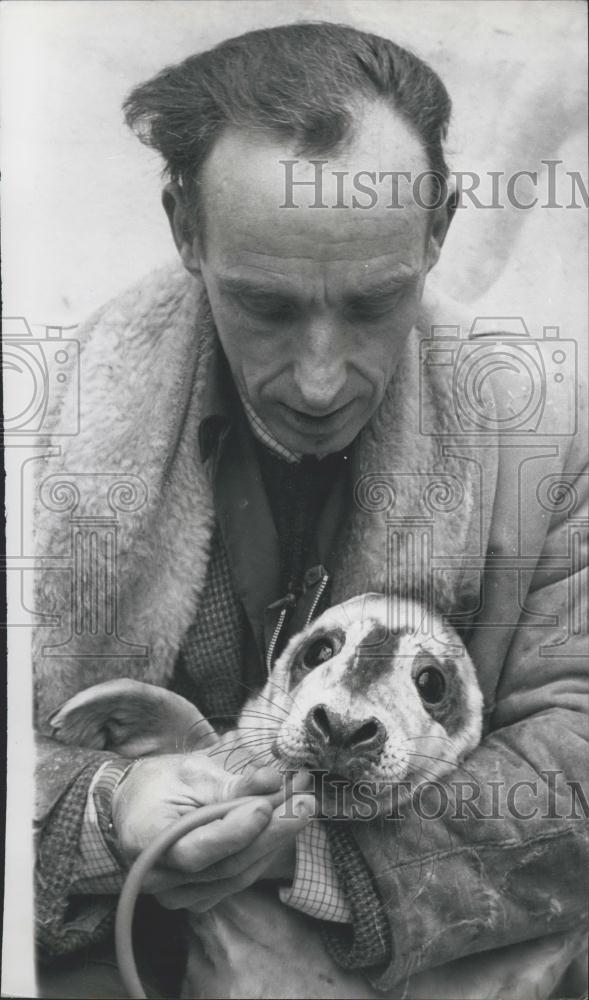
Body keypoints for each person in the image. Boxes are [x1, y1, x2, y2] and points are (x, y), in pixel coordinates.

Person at [33, 21, 587, 999]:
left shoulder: (551, 432)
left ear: (440, 230)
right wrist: (103, 810)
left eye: (374, 303)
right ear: (183, 228)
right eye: (269, 308)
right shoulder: (35, 436)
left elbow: (576, 771)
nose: (323, 381)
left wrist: (312, 862)